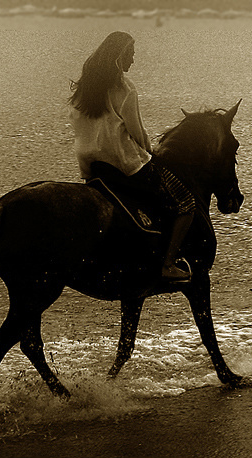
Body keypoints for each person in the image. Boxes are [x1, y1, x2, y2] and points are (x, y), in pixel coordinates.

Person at [69, 31, 195, 283]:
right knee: (185, 203)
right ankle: (167, 264)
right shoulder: (124, 89)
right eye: (131, 54)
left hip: (93, 169)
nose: (133, 60)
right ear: (119, 57)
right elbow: (137, 133)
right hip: (125, 165)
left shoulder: (84, 89)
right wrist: (152, 152)